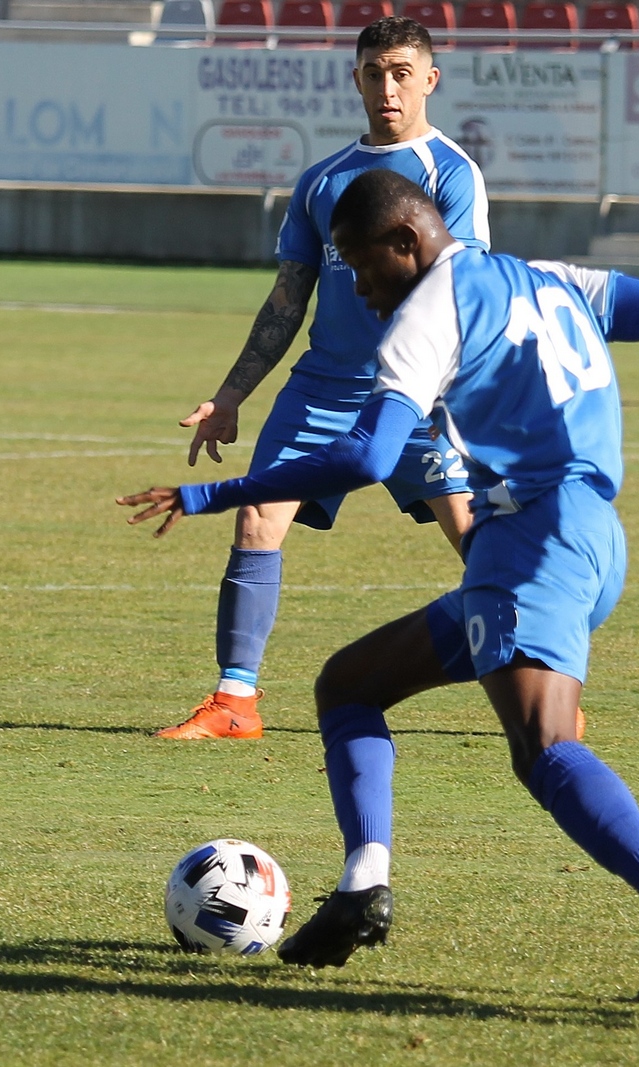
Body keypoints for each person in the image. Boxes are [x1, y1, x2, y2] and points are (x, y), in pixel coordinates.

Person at [119, 169, 639, 1002]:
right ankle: (361, 886)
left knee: (547, 748)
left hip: (535, 541)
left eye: (360, 264)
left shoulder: (425, 314)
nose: (361, 288)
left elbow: (369, 459)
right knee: (349, 685)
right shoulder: (543, 275)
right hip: (578, 538)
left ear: (405, 241)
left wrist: (216, 493)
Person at [156, 16, 490, 741]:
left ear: (430, 79)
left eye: (403, 71)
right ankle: (234, 701)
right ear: (357, 79)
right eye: (374, 72)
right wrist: (232, 395)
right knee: (257, 519)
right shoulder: (323, 180)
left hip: (421, 394)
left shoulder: (452, 175)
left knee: (480, 543)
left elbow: (464, 294)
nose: (388, 87)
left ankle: (539, 679)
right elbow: (287, 298)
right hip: (322, 392)